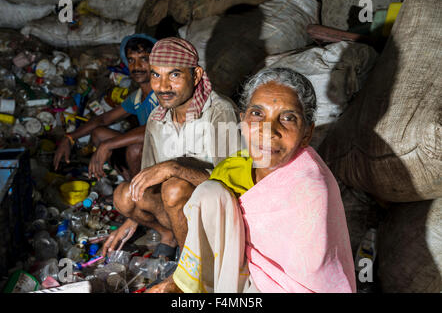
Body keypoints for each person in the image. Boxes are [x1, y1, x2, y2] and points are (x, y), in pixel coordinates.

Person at [147, 67, 356, 293]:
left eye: (287, 118)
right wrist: (178, 281)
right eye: (257, 114)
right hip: (243, 279)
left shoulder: (310, 188)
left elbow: (307, 284)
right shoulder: (237, 165)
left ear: (306, 133)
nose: (269, 131)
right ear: (242, 121)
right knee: (209, 194)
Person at [102, 37, 240, 261]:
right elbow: (147, 182)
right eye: (156, 75)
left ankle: (191, 267)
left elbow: (233, 184)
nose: (163, 86)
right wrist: (132, 219)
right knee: (124, 195)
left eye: (174, 74)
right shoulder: (157, 119)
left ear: (195, 76)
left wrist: (175, 169)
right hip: (177, 209)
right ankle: (171, 235)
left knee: (174, 188)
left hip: (218, 211)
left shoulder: (219, 112)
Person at [53, 34, 159, 181]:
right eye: (131, 60)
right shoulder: (137, 97)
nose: (137, 66)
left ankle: (140, 197)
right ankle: (129, 184)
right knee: (99, 133)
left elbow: (154, 129)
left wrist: (108, 145)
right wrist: (70, 137)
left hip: (170, 151)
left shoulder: (163, 93)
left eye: (144, 59)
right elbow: (103, 119)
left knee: (135, 149)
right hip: (150, 149)